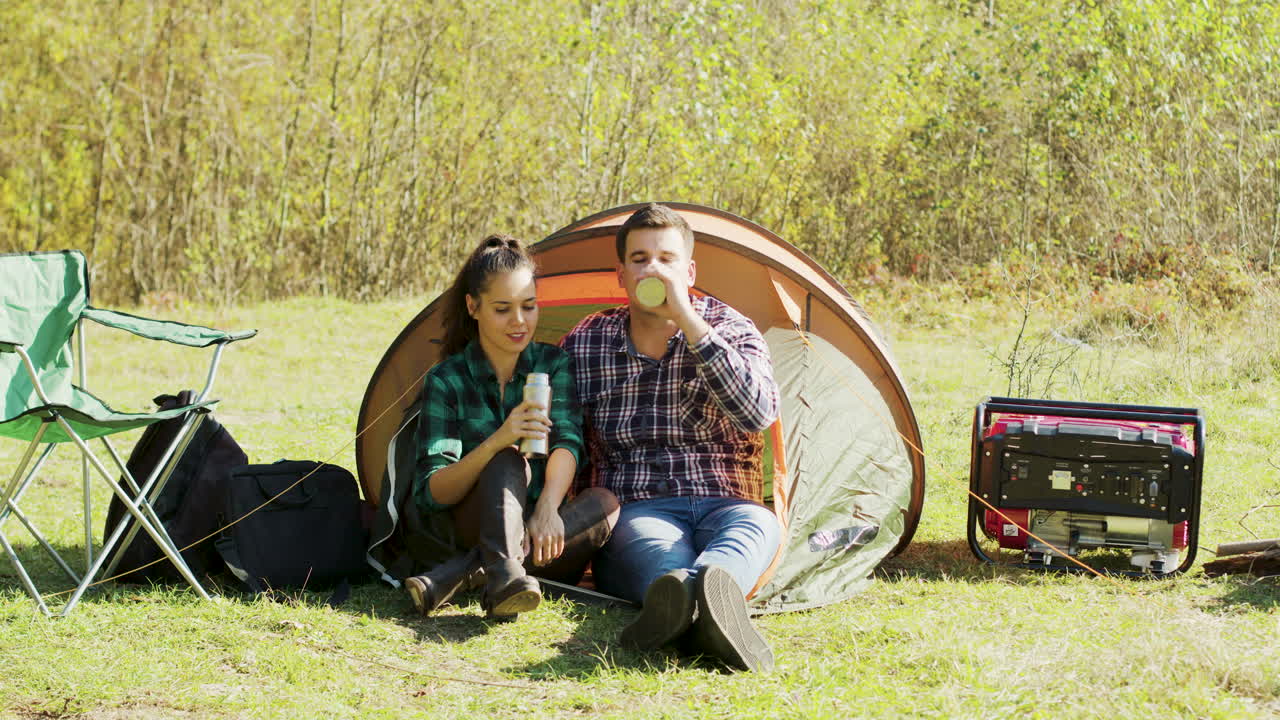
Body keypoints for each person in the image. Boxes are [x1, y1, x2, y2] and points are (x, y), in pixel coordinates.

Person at [560, 203, 782, 671]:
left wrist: (688, 321)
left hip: (728, 503)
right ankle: (701, 607)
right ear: (621, 275)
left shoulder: (730, 329)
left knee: (758, 527)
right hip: (642, 508)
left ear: (690, 269)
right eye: (640, 259)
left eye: (666, 258)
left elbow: (758, 413)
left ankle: (700, 597)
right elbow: (559, 429)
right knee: (659, 559)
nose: (653, 268)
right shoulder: (588, 342)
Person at [404, 234, 619, 620]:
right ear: (474, 307)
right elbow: (433, 493)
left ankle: (466, 577)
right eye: (503, 309)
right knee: (507, 461)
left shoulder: (552, 364)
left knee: (606, 504)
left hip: (542, 533)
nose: (519, 321)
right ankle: (500, 573)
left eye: (529, 306)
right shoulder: (448, 379)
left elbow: (567, 440)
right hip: (467, 525)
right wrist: (497, 441)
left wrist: (549, 508)